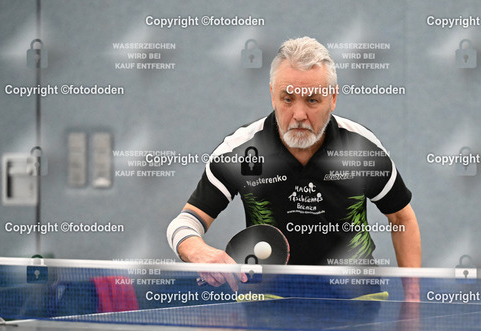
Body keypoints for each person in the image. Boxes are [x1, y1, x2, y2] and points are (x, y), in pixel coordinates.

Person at [167, 36, 421, 300]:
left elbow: (401, 218)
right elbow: (185, 221)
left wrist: (413, 299)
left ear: (333, 98)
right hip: (268, 299)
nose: (299, 115)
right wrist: (195, 249)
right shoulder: (240, 150)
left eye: (312, 101)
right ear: (272, 95)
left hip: (357, 298)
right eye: (287, 99)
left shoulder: (362, 148)